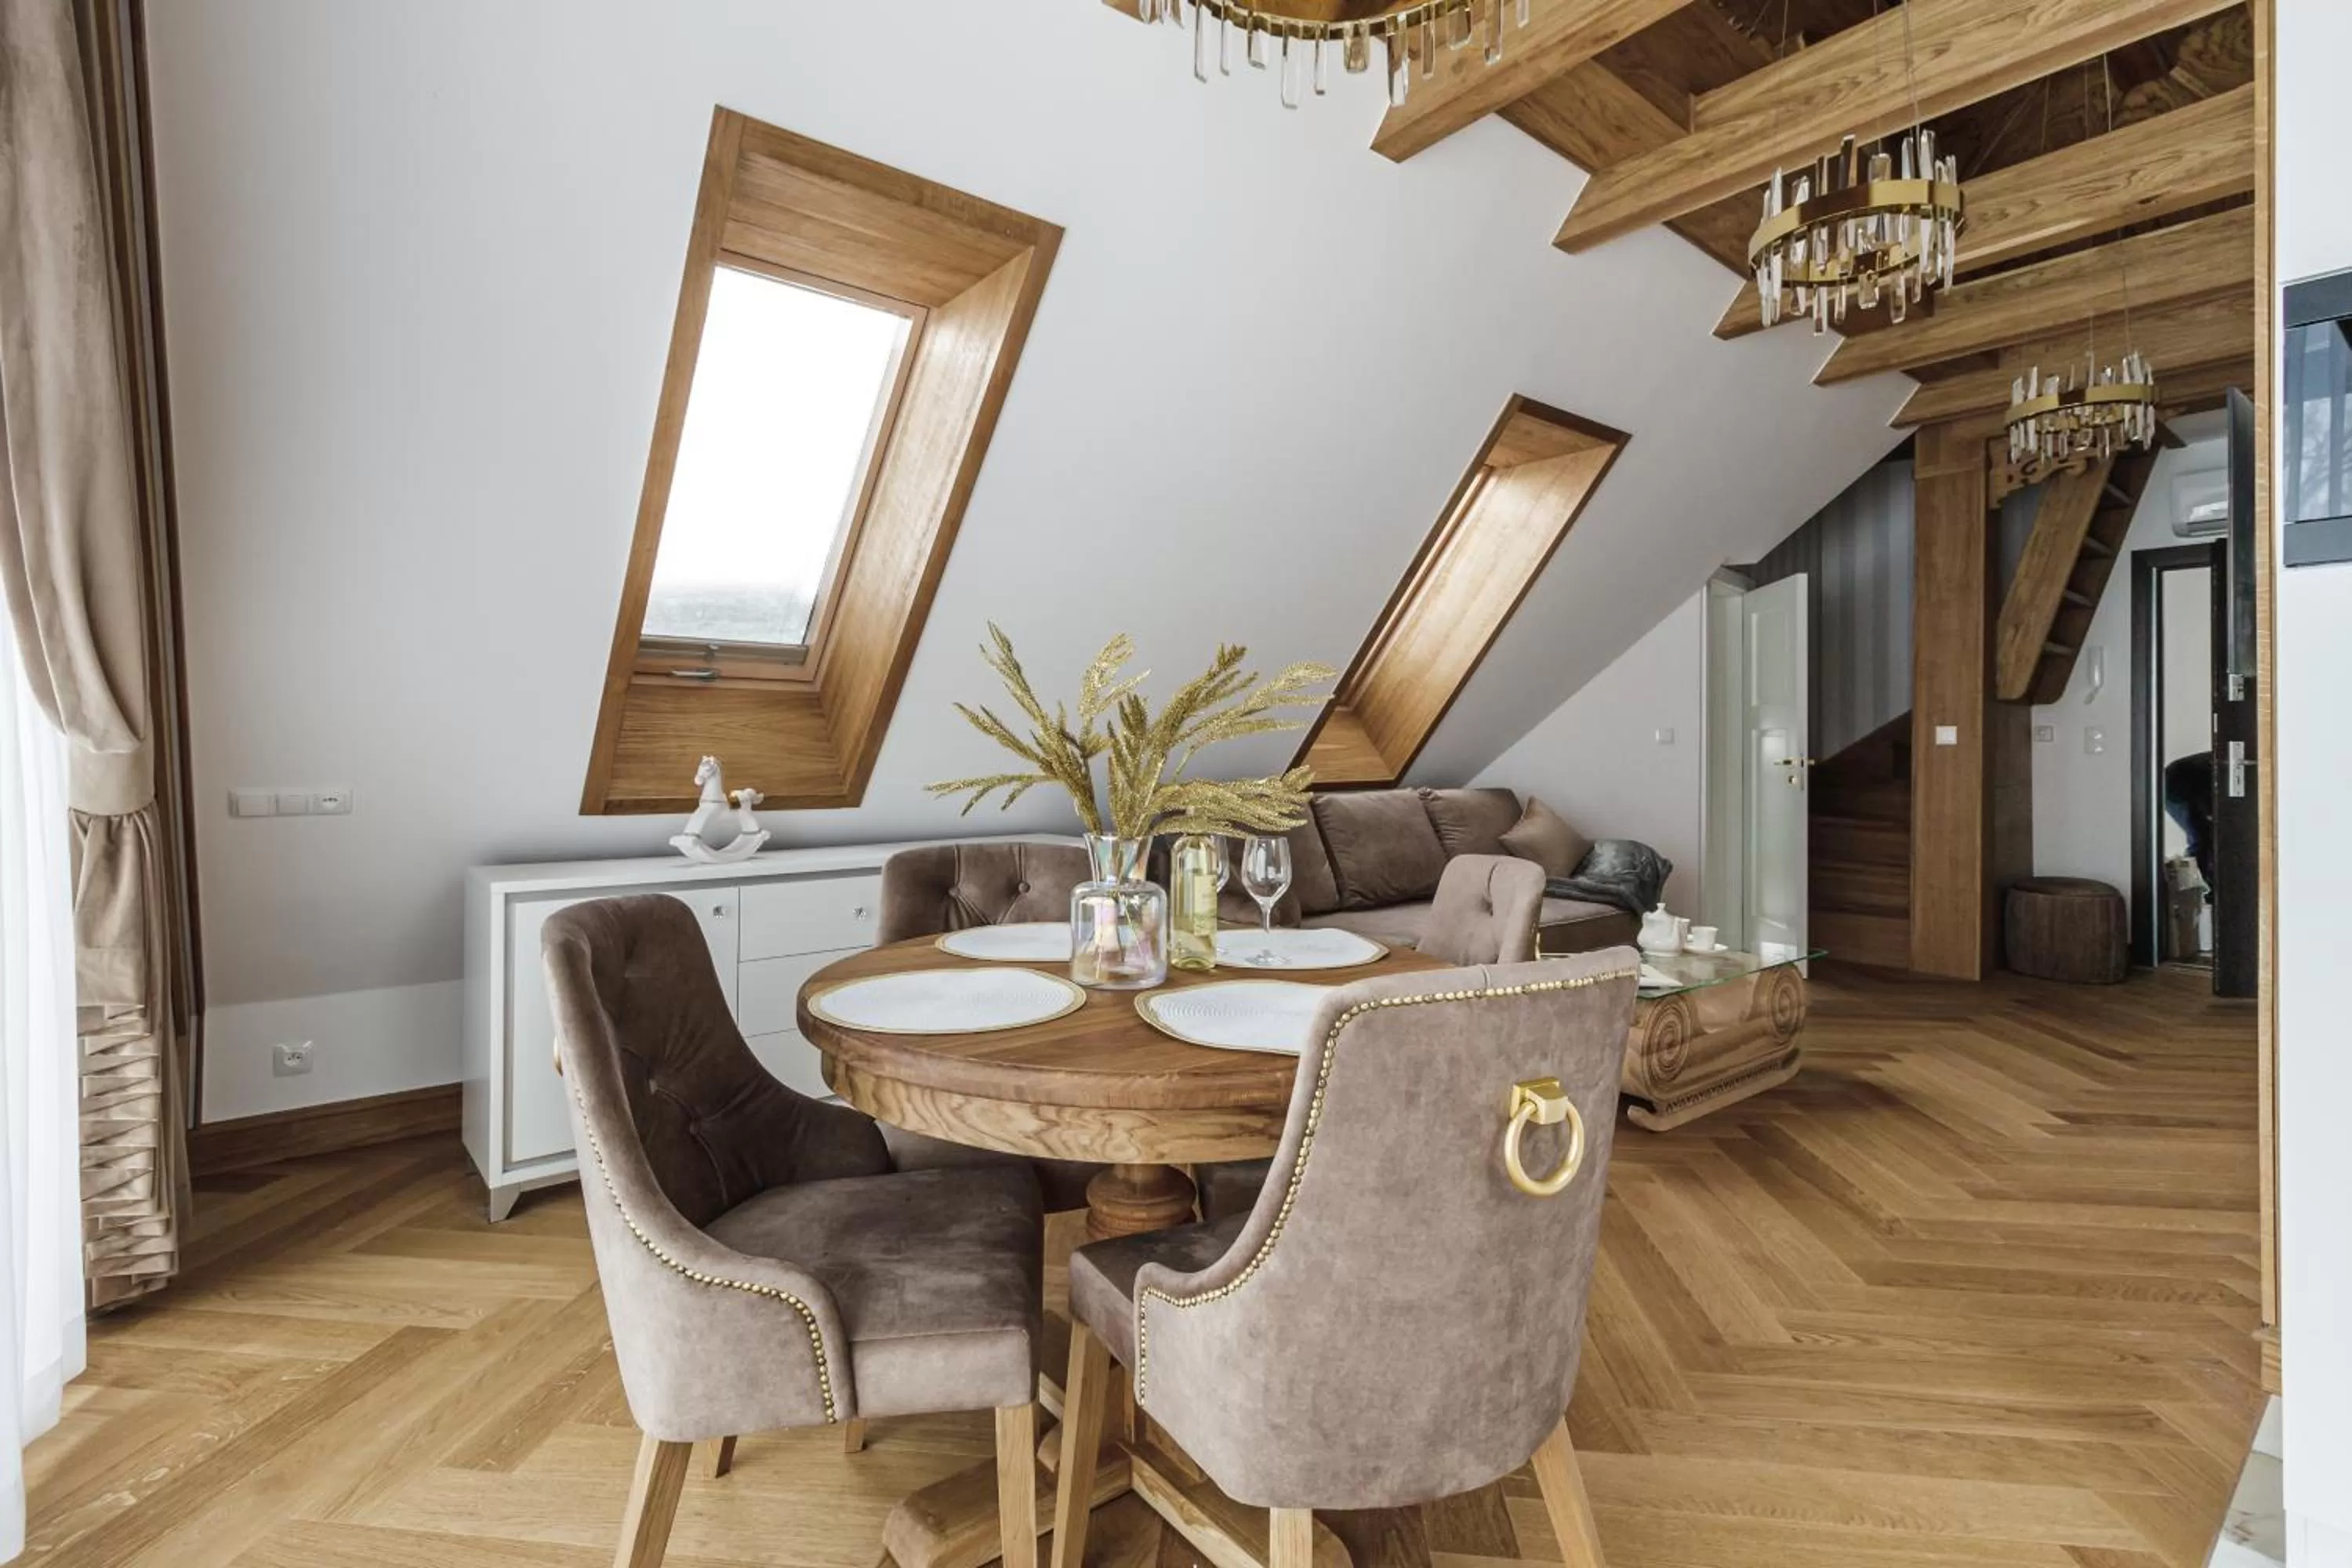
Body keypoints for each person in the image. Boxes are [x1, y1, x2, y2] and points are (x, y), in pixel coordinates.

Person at [2164, 750, 2216, 892]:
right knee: (2200, 839)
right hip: (2175, 788)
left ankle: (2204, 886)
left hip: (2181, 783)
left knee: (2202, 838)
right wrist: (2209, 813)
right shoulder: (2221, 766)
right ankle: (2198, 887)